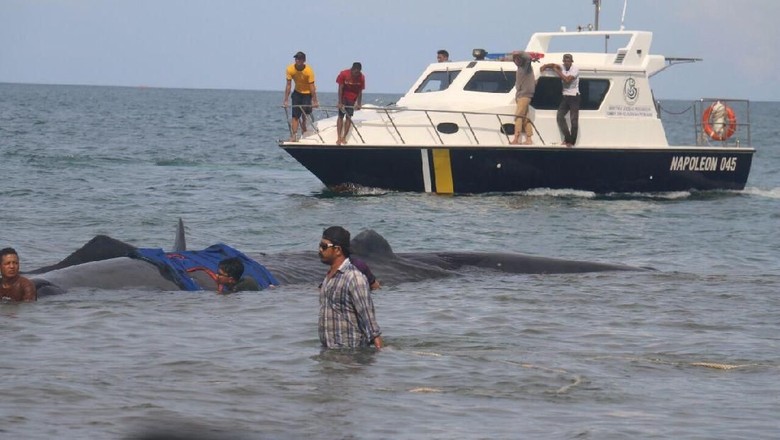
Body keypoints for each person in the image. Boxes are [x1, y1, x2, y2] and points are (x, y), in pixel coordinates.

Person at [318, 226, 383, 349]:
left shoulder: (354, 278)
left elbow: (368, 318)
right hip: (329, 354)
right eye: (320, 245)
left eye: (324, 246)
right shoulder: (328, 278)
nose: (320, 250)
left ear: (337, 250)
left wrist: (380, 351)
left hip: (351, 355)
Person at [542, 53, 580, 147]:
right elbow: (553, 65)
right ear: (563, 61)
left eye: (568, 61)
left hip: (574, 96)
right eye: (565, 61)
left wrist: (557, 71)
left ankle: (572, 142)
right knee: (559, 117)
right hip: (565, 96)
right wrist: (545, 66)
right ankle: (568, 139)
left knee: (573, 120)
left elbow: (567, 80)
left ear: (571, 61)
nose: (567, 63)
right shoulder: (561, 67)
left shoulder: (575, 69)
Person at [283, 51, 319, 142]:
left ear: (304, 60)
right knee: (295, 115)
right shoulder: (290, 69)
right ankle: (294, 135)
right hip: (297, 92)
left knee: (305, 112)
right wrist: (286, 100)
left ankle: (304, 126)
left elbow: (312, 86)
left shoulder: (308, 71)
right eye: (296, 58)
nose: (297, 60)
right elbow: (288, 85)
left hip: (307, 93)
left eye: (299, 59)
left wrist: (315, 100)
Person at [335, 62, 365, 145]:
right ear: (352, 69)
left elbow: (360, 91)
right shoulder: (343, 74)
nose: (356, 74)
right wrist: (340, 102)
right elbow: (340, 88)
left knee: (349, 117)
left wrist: (359, 103)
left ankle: (344, 137)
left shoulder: (361, 77)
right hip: (343, 96)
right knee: (341, 116)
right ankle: (338, 137)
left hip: (352, 98)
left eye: (358, 72)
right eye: (355, 72)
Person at [510, 50, 536, 145]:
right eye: (515, 60)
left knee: (518, 116)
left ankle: (516, 138)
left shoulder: (526, 67)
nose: (516, 61)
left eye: (518, 59)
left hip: (525, 95)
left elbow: (528, 58)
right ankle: (529, 139)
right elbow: (514, 60)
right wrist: (513, 56)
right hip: (520, 96)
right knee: (525, 117)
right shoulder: (519, 68)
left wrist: (519, 53)